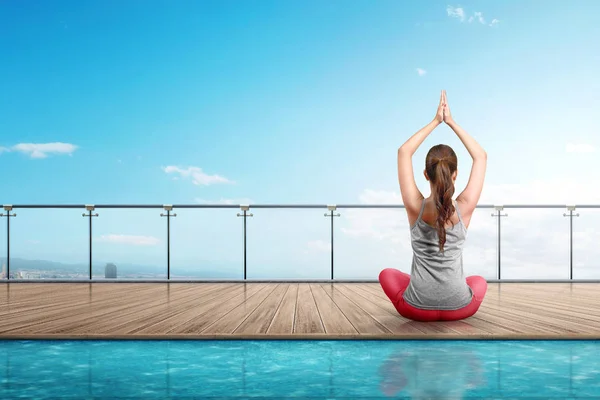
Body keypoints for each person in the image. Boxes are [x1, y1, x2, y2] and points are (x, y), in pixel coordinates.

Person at [379, 90, 488, 321]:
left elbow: (404, 152)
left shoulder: (414, 207)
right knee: (478, 282)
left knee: (387, 274)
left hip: (416, 309)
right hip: (460, 308)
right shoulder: (465, 207)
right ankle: (445, 292)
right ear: (455, 174)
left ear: (425, 175)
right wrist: (451, 123)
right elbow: (481, 156)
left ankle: (422, 287)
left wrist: (435, 121)